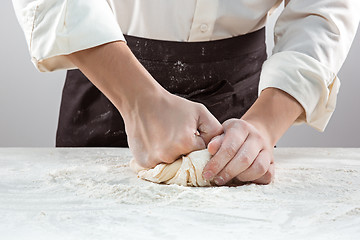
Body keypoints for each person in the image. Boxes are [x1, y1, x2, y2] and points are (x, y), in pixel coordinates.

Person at [12, 0, 360, 185]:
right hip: (109, 78)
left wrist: (265, 125)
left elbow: (325, 9)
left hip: (242, 111)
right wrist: (137, 100)